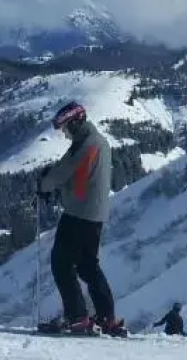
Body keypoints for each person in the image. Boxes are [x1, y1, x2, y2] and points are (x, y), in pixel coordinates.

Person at [36, 101, 125, 337]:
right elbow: (79, 176)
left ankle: (77, 317)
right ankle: (107, 318)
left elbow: (64, 171)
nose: (64, 134)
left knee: (61, 263)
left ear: (75, 122)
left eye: (65, 128)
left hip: (78, 214)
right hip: (94, 215)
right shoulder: (98, 141)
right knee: (88, 267)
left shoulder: (85, 144)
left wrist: (44, 184)